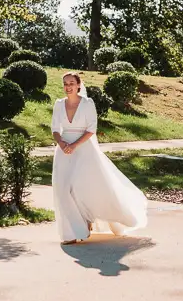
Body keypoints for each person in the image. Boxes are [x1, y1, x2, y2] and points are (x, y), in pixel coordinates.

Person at [51, 72, 148, 245]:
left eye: (71, 83)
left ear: (79, 85)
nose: (68, 87)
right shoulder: (59, 104)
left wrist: (74, 145)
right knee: (62, 190)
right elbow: (55, 129)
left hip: (83, 150)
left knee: (81, 188)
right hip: (63, 150)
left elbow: (91, 129)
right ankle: (71, 232)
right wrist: (62, 143)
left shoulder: (87, 104)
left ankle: (86, 222)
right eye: (65, 83)